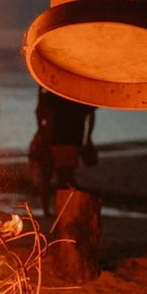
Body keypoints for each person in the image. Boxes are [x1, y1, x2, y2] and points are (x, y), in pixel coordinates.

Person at [32, 87, 96, 217]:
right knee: (64, 176)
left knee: (58, 176)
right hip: (71, 140)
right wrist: (88, 137)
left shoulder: (52, 96)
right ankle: (65, 208)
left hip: (58, 140)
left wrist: (43, 137)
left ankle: (60, 209)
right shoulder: (77, 94)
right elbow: (91, 114)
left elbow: (42, 115)